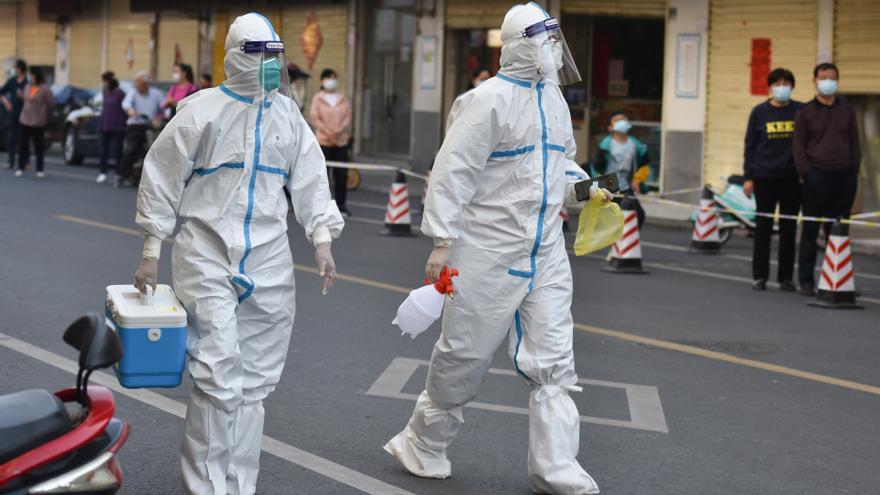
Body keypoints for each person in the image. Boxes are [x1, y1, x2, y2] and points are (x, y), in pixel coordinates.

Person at [384, 4, 606, 494]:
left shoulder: (553, 99)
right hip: (484, 251)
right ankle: (422, 442)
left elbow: (560, 166)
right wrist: (442, 241)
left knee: (554, 360)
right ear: (523, 44)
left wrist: (586, 187)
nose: (554, 51)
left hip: (544, 248)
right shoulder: (485, 102)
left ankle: (556, 467)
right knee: (464, 357)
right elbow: (452, 171)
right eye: (546, 41)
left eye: (555, 41)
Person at [132, 13, 343, 495]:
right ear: (236, 58)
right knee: (218, 375)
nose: (272, 67)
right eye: (262, 57)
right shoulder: (201, 111)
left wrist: (322, 239)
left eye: (276, 57)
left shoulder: (286, 116)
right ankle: (207, 486)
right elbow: (160, 178)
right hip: (207, 255)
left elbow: (310, 180)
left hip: (269, 258)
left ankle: (239, 484)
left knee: (255, 384)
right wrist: (151, 250)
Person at [793, 62, 861, 296]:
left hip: (844, 177)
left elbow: (855, 143)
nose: (828, 83)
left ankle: (840, 281)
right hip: (816, 177)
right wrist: (807, 174)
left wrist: (853, 172)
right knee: (810, 231)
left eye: (832, 78)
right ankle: (806, 281)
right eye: (823, 79)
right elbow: (799, 147)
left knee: (840, 232)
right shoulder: (805, 113)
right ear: (814, 81)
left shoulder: (847, 110)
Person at [742, 68, 803, 291]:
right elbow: (750, 146)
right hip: (765, 177)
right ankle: (760, 276)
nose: (782, 88)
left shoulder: (800, 111)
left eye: (786, 83)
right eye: (777, 84)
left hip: (792, 179)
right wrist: (748, 177)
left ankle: (785, 277)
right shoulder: (759, 112)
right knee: (763, 229)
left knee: (788, 230)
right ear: (770, 87)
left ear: (792, 87)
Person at [591, 112, 650, 226]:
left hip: (626, 185)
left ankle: (625, 241)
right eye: (617, 120)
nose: (621, 121)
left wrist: (637, 180)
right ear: (610, 128)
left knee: (638, 216)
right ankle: (618, 241)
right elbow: (596, 166)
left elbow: (644, 164)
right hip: (608, 184)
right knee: (609, 219)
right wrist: (598, 187)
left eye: (623, 119)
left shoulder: (635, 144)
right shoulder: (606, 144)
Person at [309, 68, 352, 216]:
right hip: (324, 142)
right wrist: (328, 132)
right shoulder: (318, 98)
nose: (332, 80)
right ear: (322, 80)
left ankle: (341, 205)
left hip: (341, 142)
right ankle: (322, 206)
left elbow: (347, 116)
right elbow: (315, 118)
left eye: (334, 78)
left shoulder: (342, 98)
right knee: (323, 176)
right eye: (329, 78)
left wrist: (338, 131)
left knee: (341, 175)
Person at [118, 71, 163, 187]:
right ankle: (120, 174)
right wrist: (130, 111)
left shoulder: (156, 94)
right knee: (131, 150)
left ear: (147, 84)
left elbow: (164, 107)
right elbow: (126, 103)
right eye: (137, 83)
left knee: (153, 151)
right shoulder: (133, 93)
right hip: (136, 124)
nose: (139, 86)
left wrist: (163, 114)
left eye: (142, 84)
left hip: (151, 125)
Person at [15, 67, 53, 178]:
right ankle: (20, 167)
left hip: (38, 121)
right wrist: (22, 96)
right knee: (23, 144)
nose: (30, 77)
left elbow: (50, 103)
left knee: (38, 146)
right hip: (25, 119)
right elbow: (26, 99)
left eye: (31, 75)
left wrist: (43, 110)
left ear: (36, 76)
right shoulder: (27, 86)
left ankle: (40, 169)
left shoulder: (45, 88)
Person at [97, 72, 127, 184]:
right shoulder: (105, 92)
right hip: (105, 124)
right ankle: (102, 172)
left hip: (118, 125)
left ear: (110, 81)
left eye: (105, 81)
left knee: (118, 151)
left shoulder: (121, 94)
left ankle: (117, 172)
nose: (104, 84)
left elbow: (125, 109)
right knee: (104, 150)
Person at [2, 59, 27, 169]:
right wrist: (7, 103)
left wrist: (23, 97)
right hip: (13, 113)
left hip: (26, 113)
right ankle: (11, 161)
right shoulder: (12, 81)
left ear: (20, 68)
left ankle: (25, 162)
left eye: (15, 67)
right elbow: (1, 92)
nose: (14, 70)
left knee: (24, 137)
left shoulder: (28, 82)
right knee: (12, 137)